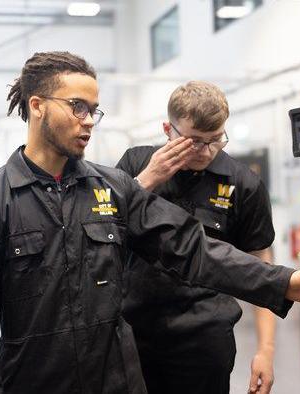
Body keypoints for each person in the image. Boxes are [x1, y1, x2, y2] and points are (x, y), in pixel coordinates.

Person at [0, 51, 300, 394]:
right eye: (77, 107)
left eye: (94, 109)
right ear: (36, 106)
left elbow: (194, 250)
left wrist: (284, 282)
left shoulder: (112, 188)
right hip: (35, 382)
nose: (89, 120)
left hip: (118, 379)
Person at [116, 81, 278, 394]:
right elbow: (102, 229)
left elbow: (264, 269)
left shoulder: (243, 184)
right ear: (168, 129)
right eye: (193, 141)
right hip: (134, 333)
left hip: (205, 337)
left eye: (215, 139)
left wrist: (266, 350)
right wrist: (146, 180)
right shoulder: (135, 164)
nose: (205, 151)